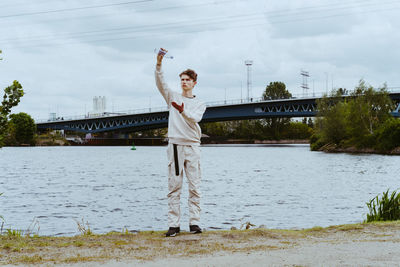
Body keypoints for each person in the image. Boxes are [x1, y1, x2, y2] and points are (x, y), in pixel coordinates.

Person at [155, 48, 206, 237]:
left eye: (187, 80)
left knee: (195, 186)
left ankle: (194, 223)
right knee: (174, 186)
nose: (184, 82)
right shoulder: (172, 97)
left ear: (194, 83)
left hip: (192, 146)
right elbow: (161, 83)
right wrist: (159, 64)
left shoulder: (200, 103)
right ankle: (174, 225)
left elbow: (195, 119)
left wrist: (183, 110)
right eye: (182, 80)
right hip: (175, 146)